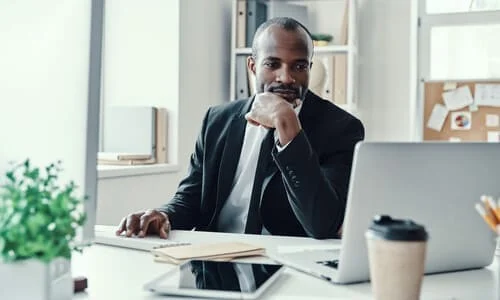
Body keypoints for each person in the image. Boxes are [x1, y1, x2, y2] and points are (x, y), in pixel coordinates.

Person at [116, 17, 364, 240]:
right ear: (253, 66)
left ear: (310, 68)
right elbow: (191, 199)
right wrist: (163, 214)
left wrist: (288, 125)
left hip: (287, 262)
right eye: (273, 64)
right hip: (215, 257)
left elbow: (322, 223)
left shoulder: (341, 128)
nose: (286, 77)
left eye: (299, 66)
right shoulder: (217, 119)